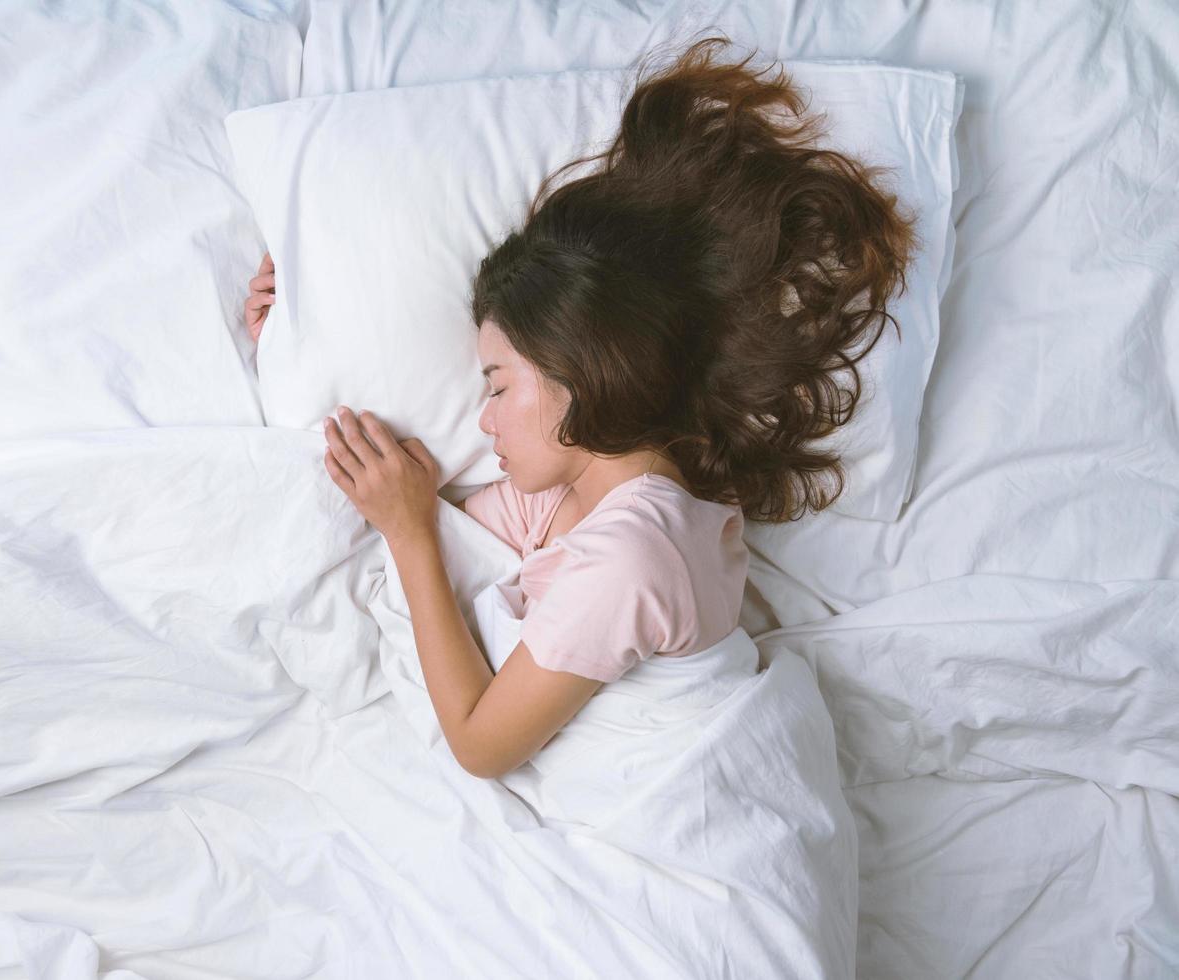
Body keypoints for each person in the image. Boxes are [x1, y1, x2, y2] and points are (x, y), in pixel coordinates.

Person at [255, 35, 915, 778]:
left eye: (498, 385)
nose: (485, 419)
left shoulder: (637, 551)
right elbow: (413, 500)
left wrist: (410, 538)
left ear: (578, 367)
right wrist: (291, 340)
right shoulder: (606, 503)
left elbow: (482, 746)